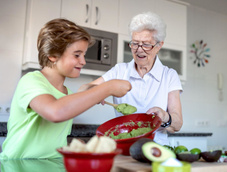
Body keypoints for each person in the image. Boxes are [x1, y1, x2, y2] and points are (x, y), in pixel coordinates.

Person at [0, 18, 131, 159]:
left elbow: (50, 139)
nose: (83, 61)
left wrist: (70, 147)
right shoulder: (31, 80)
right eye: (77, 55)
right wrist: (107, 87)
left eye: (84, 55)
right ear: (52, 55)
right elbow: (55, 112)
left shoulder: (67, 93)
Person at [79, 12, 183, 145]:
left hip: (156, 148)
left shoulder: (169, 75)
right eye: (135, 43)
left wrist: (164, 116)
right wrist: (98, 91)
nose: (139, 50)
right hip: (123, 146)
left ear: (159, 46)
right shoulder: (119, 70)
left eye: (146, 44)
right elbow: (83, 90)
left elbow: (178, 124)